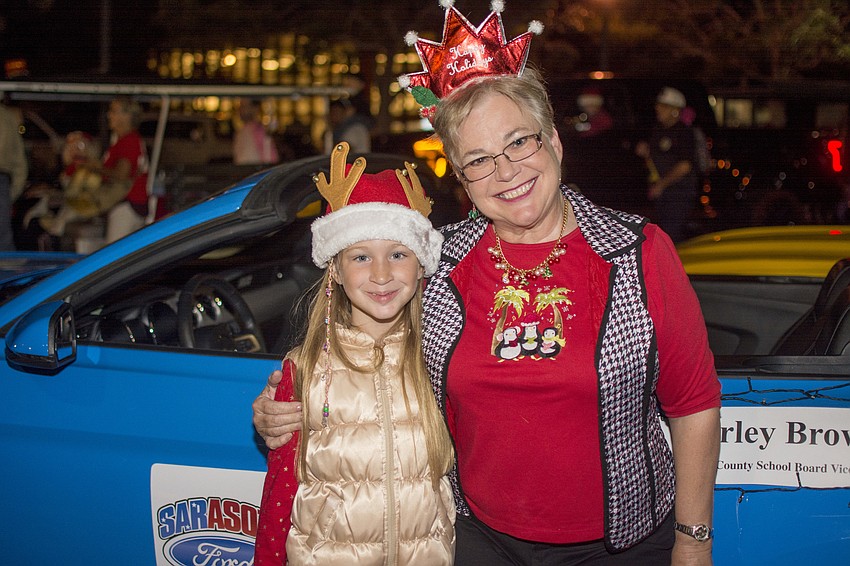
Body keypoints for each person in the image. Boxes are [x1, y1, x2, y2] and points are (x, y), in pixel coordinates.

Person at [254, 3, 721, 565]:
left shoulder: (637, 252)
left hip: (623, 547)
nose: (506, 172)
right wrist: (287, 400)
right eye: (478, 160)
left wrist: (693, 540)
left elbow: (693, 404)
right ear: (460, 177)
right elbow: (360, 341)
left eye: (519, 142)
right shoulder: (437, 262)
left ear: (554, 142)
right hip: (477, 541)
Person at [253, 142, 455, 565]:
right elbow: (279, 496)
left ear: (421, 265)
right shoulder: (305, 369)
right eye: (361, 256)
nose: (381, 274)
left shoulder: (442, 358)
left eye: (398, 254)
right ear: (336, 270)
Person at [635, 87, 699, 243]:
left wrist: (661, 185)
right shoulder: (658, 129)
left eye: (663, 106)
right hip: (662, 193)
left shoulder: (684, 132)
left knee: (670, 236)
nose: (657, 109)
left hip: (679, 194)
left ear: (675, 111)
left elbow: (685, 165)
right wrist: (646, 151)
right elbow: (658, 158)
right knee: (662, 234)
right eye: (658, 105)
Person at [89, 97, 150, 244]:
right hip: (129, 205)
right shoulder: (123, 140)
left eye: (114, 111)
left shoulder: (129, 141)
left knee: (115, 253)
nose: (109, 115)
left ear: (127, 116)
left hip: (126, 205)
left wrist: (96, 168)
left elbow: (122, 174)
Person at [0, 99, 28, 250]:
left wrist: (10, 193)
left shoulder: (6, 117)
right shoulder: (6, 117)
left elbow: (19, 160)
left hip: (2, 180)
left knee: (3, 237)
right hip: (3, 182)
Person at [233, 100, 280, 165]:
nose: (240, 110)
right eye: (240, 106)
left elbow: (271, 160)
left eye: (244, 106)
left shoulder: (259, 130)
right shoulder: (241, 132)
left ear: (255, 108)